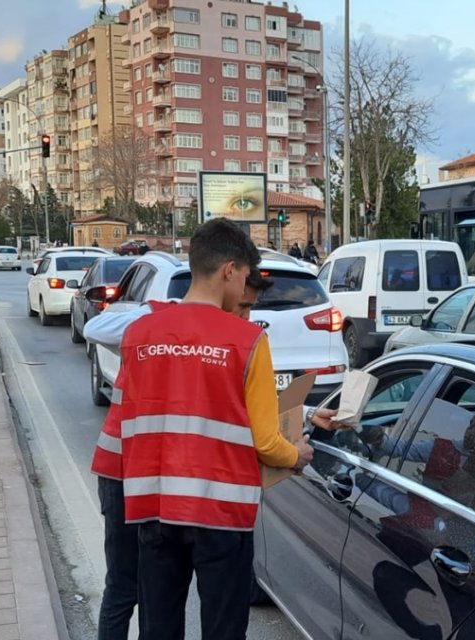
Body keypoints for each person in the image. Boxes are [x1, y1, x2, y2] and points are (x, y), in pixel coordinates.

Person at [116, 218, 312, 640]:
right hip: (221, 512)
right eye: (244, 277)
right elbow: (264, 441)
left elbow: (130, 422)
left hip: (154, 506)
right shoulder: (246, 342)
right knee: (223, 629)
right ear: (229, 269)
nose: (245, 290)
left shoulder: (138, 335)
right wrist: (297, 454)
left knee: (158, 628)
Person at [82, 270, 275, 640]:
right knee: (126, 588)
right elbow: (98, 327)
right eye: (244, 304)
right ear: (229, 275)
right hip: (148, 483)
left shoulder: (153, 336)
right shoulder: (153, 324)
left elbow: (229, 409)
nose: (245, 314)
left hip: (156, 495)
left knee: (154, 611)